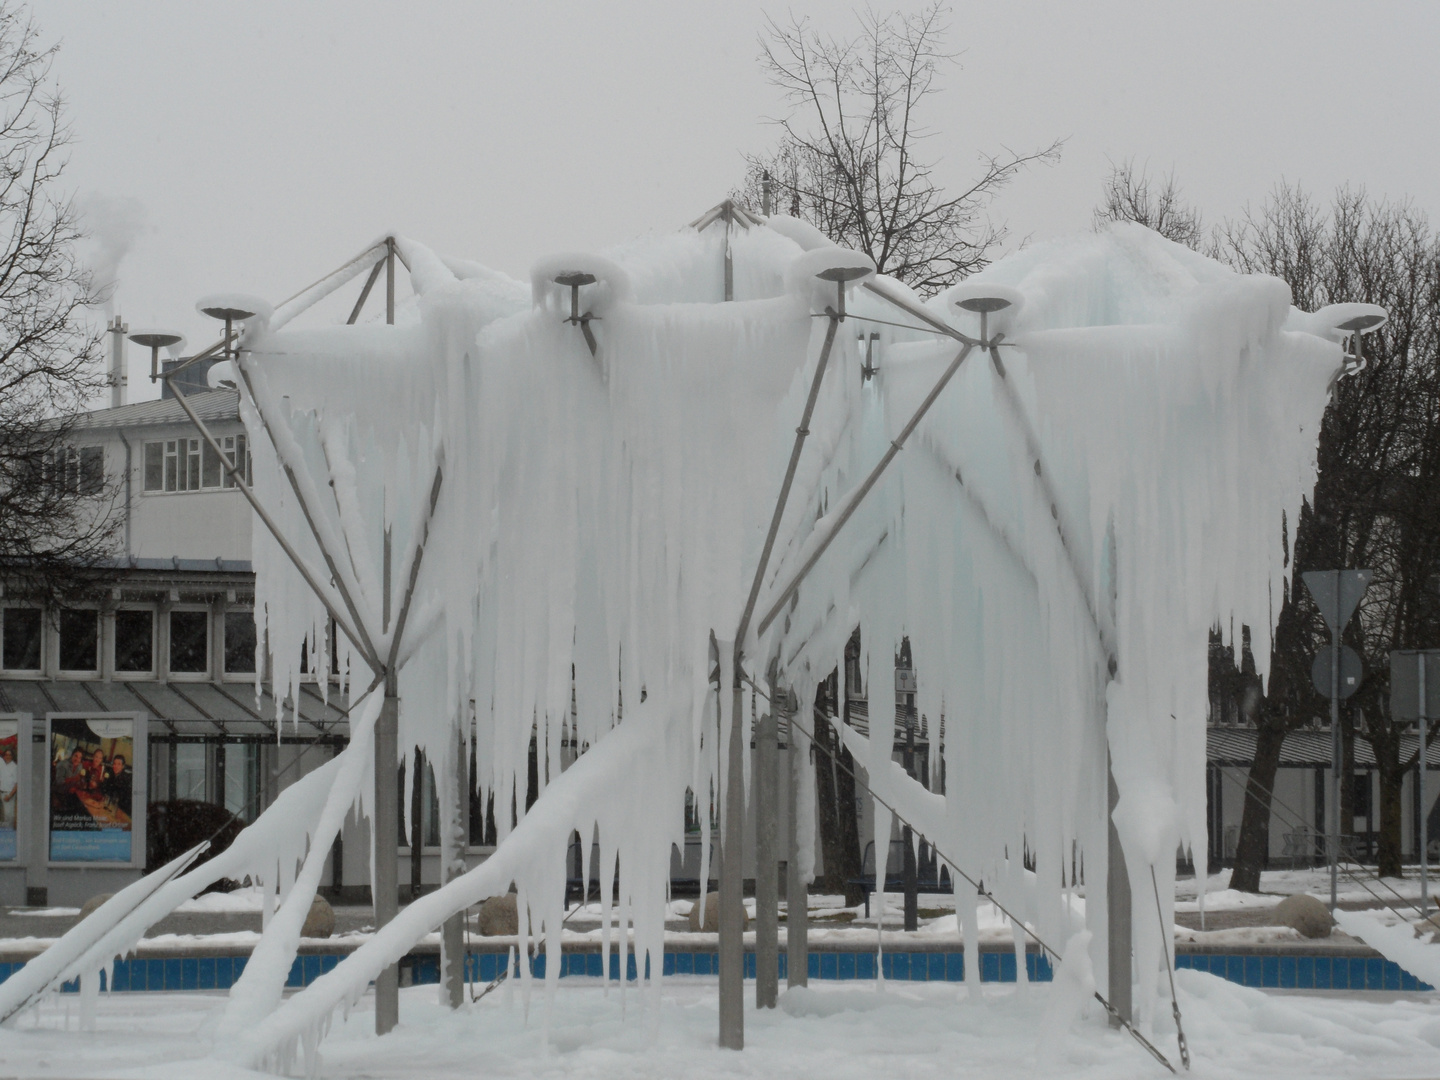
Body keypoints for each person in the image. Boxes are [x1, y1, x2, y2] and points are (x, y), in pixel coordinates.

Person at [103, 753, 132, 817]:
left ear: (123, 766)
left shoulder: (126, 778)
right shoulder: (111, 774)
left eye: (119, 764)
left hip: (122, 811)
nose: (115, 766)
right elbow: (106, 790)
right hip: (111, 807)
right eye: (114, 763)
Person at [0, 747, 16, 827]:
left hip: (9, 794)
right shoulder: (3, 766)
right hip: (2, 793)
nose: (8, 756)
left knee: (9, 816)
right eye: (6, 755)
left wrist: (10, 796)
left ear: (12, 756)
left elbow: (17, 784)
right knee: (4, 816)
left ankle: (10, 835)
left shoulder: (15, 767)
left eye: (9, 755)